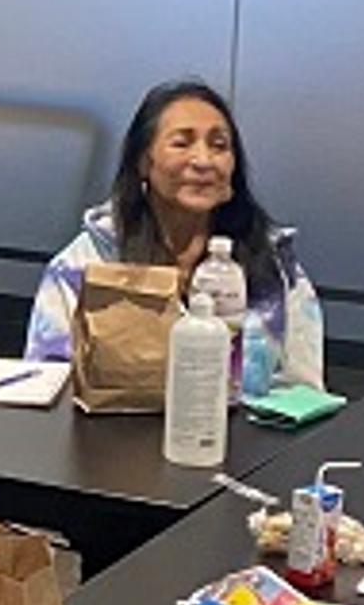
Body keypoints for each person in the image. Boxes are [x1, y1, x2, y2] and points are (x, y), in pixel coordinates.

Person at [21, 79, 325, 390]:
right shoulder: (84, 264)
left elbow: (306, 390)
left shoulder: (272, 263)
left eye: (219, 146)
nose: (203, 161)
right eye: (182, 143)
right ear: (143, 161)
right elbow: (44, 387)